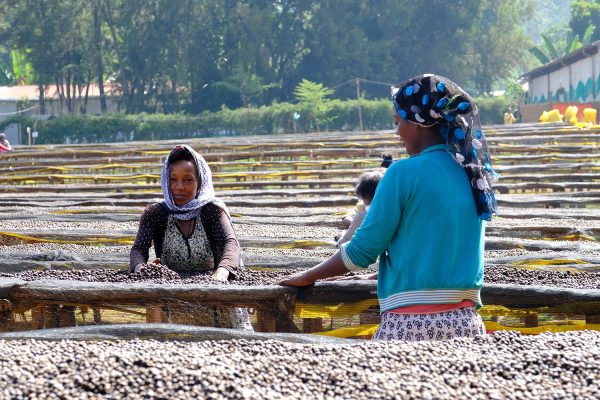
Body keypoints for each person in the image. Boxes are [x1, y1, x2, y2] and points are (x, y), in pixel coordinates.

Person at [280, 74, 498, 342]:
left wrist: (307, 275)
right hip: (466, 326)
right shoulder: (472, 175)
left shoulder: (402, 173)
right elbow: (434, 248)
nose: (397, 132)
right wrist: (378, 275)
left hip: (410, 325)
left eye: (398, 122)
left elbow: (362, 251)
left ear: (418, 123)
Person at [130, 144, 251, 329]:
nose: (179, 187)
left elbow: (230, 243)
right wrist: (141, 268)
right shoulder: (155, 214)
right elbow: (139, 249)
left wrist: (222, 272)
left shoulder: (211, 211)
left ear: (200, 182)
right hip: (171, 297)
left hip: (214, 297)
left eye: (188, 180)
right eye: (173, 179)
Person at [336, 171, 383, 247]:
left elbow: (342, 243)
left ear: (362, 193)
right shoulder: (393, 211)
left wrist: (343, 235)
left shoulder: (362, 215)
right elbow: (346, 217)